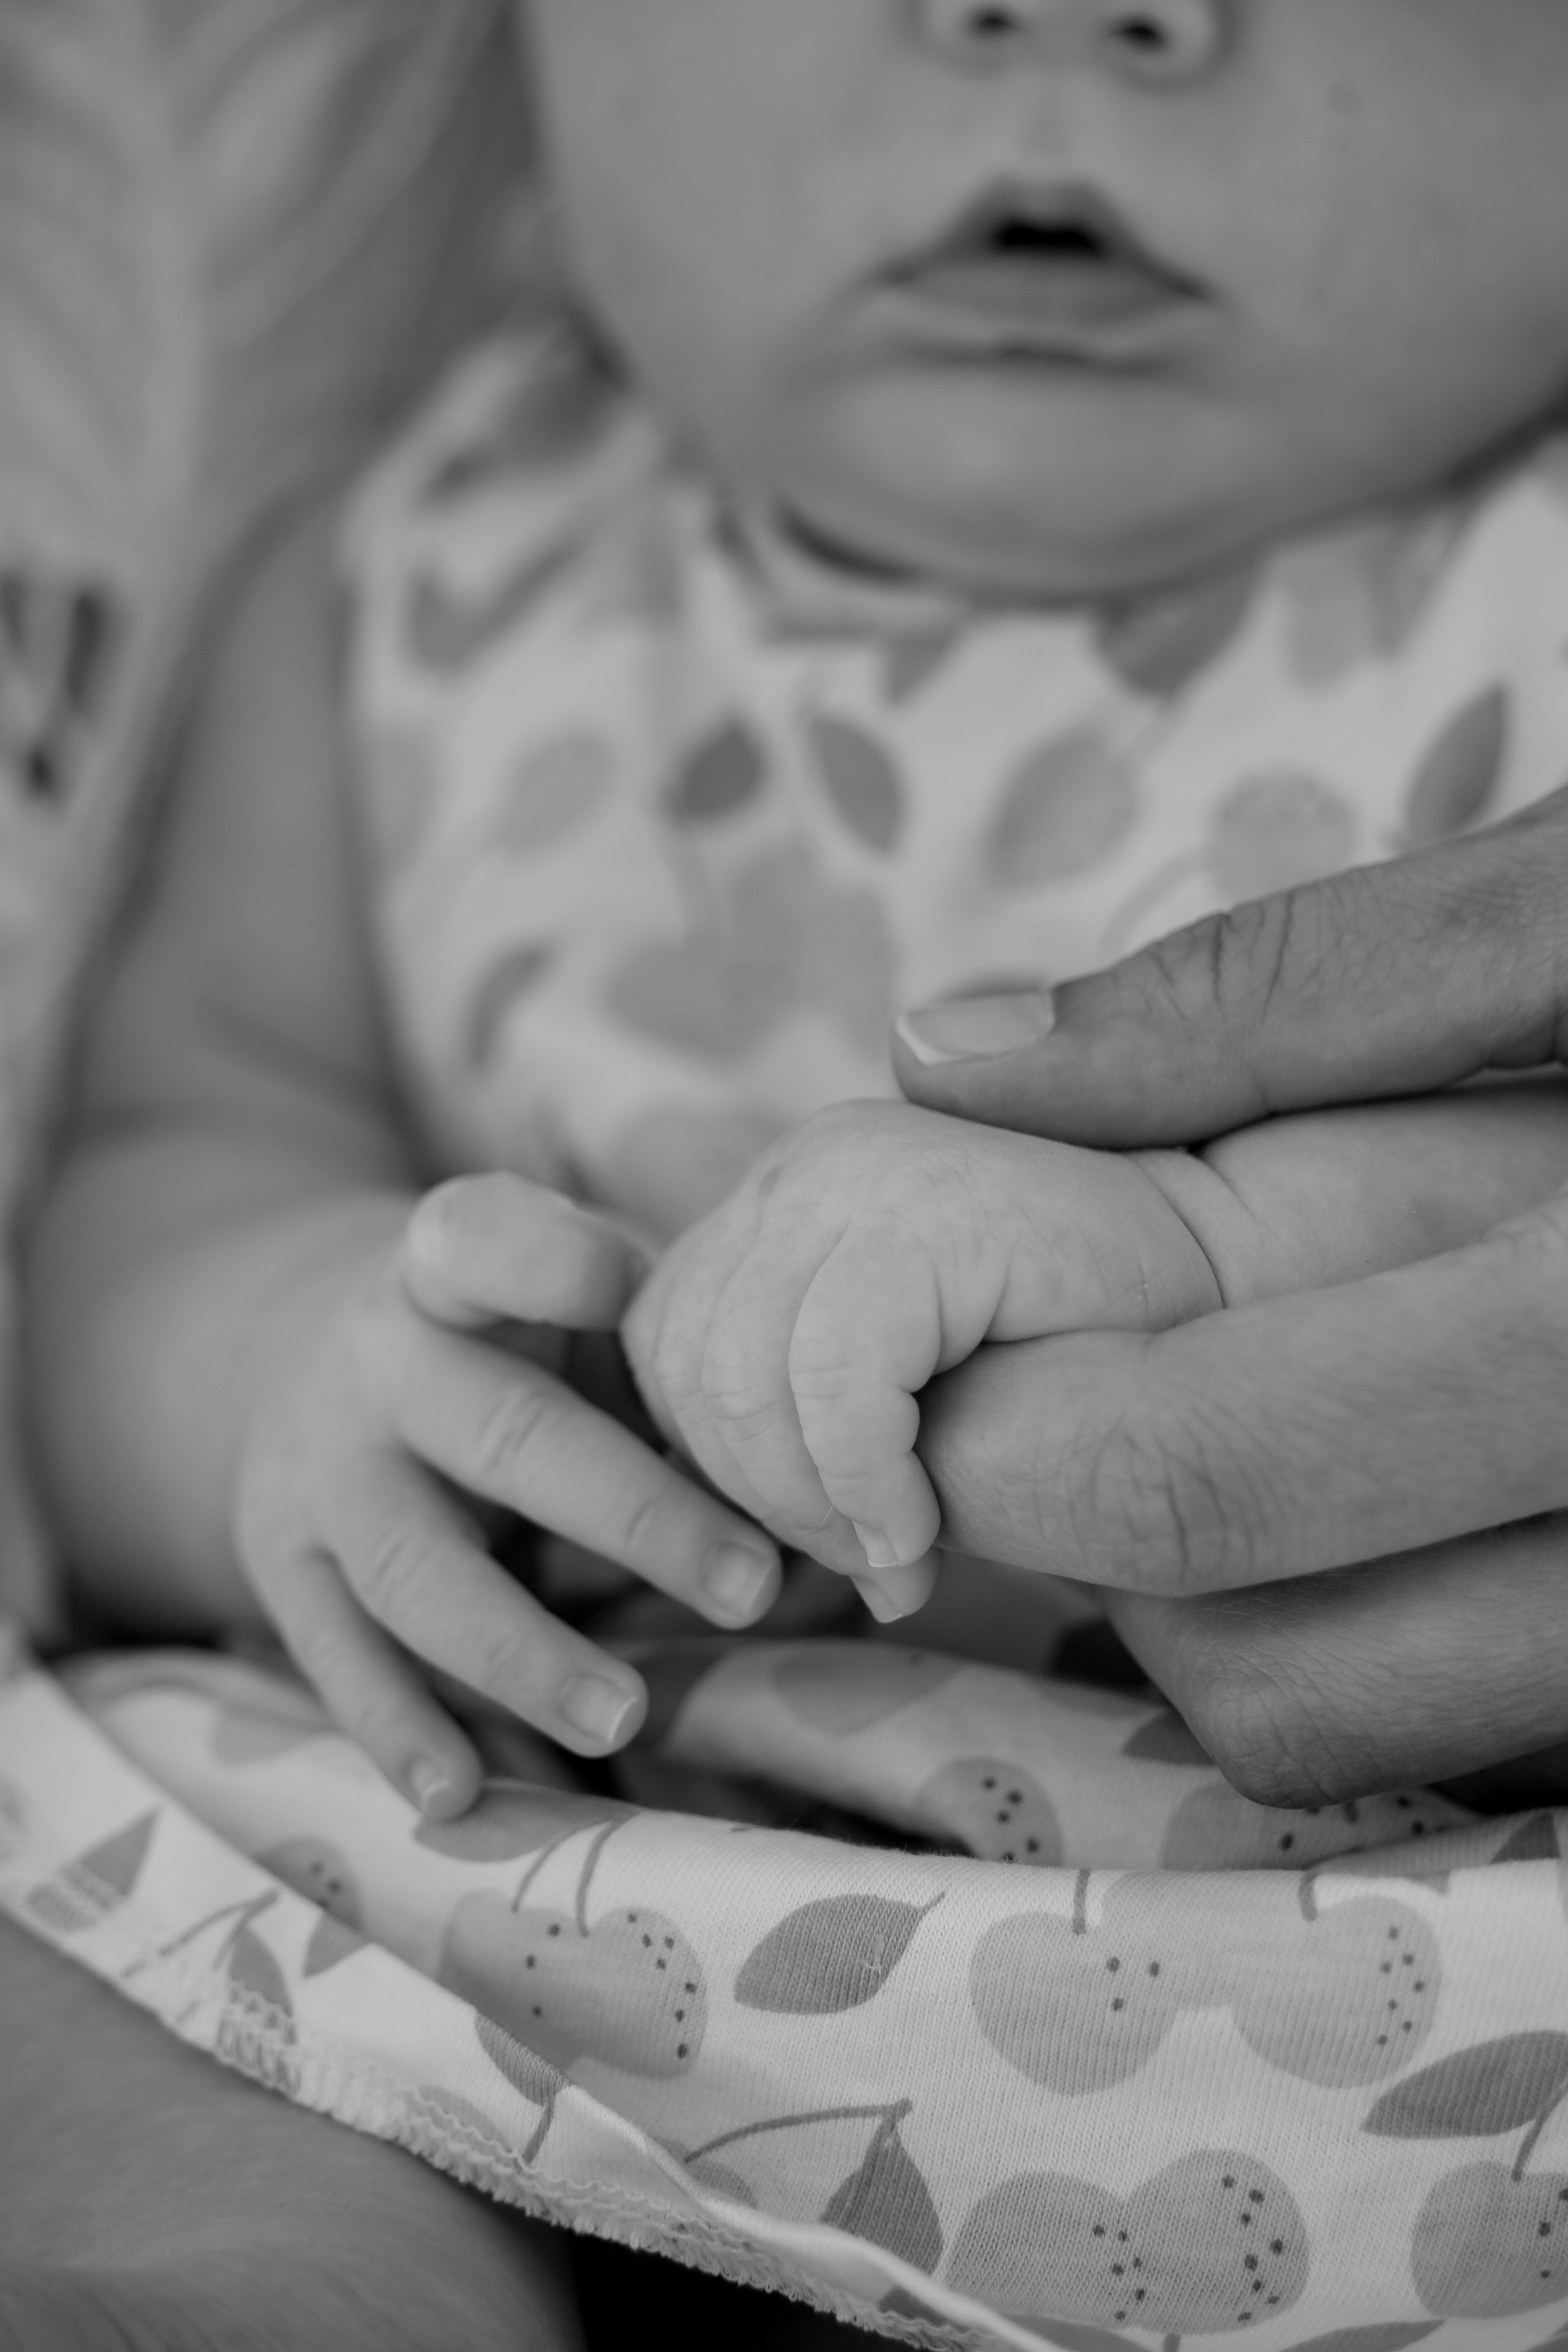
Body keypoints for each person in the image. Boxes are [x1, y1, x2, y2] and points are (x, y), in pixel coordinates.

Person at [22, 1, 1568, 2337]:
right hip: (482, 1894)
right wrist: (316, 1369)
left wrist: (1208, 1239)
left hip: (1346, 1967)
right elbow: (169, 1156)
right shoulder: (427, 561)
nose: (1062, 18)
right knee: (154, 2064)